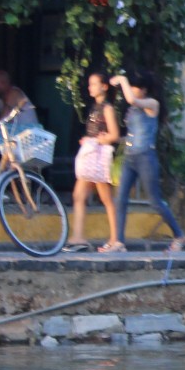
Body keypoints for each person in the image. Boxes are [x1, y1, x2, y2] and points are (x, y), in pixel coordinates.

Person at [106, 71, 185, 253]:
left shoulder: (152, 104)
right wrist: (116, 139)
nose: (131, 90)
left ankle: (179, 235)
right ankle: (119, 241)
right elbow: (132, 134)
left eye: (134, 87)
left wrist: (122, 80)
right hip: (129, 157)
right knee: (120, 199)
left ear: (143, 90)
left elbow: (132, 100)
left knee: (155, 201)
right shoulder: (133, 109)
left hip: (145, 158)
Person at [67, 71, 121, 252]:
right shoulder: (94, 107)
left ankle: (115, 239)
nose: (90, 87)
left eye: (94, 84)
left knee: (106, 198)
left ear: (104, 86)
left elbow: (114, 135)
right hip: (90, 154)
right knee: (78, 196)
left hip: (99, 156)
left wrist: (96, 140)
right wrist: (88, 140)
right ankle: (78, 237)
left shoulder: (107, 108)